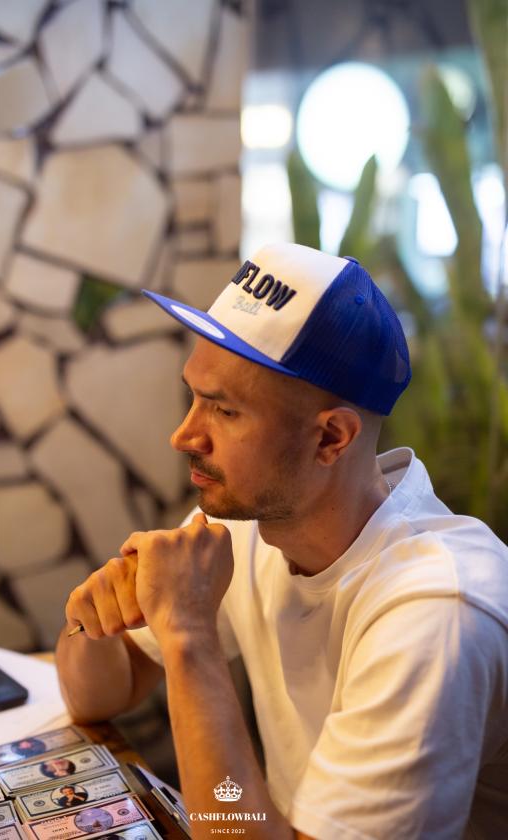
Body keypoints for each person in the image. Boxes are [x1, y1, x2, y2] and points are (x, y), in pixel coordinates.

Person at [56, 243, 508, 840]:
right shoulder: (252, 523)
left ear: (331, 439)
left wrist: (188, 632)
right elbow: (98, 697)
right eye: (195, 396)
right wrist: (90, 620)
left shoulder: (438, 611)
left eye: (224, 411)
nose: (184, 435)